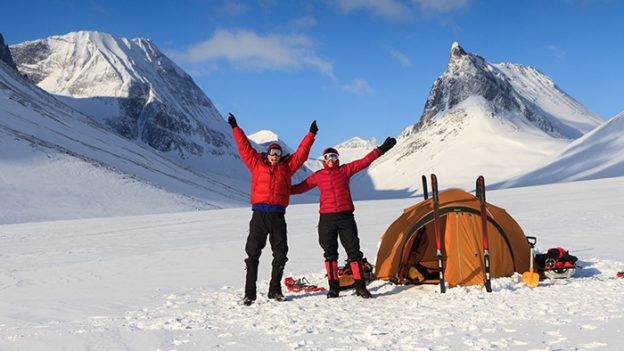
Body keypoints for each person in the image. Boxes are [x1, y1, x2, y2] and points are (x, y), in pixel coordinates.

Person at [228, 113, 317, 306]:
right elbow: (244, 148)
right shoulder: (256, 165)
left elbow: (301, 155)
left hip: (277, 215)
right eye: (272, 153)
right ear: (267, 155)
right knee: (252, 254)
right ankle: (249, 294)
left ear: (280, 156)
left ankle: (274, 290)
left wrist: (310, 135)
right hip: (259, 215)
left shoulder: (287, 168)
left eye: (277, 154)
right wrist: (236, 128)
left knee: (281, 253)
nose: (274, 156)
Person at [291, 137, 396, 299]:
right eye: (327, 157)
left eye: (334, 156)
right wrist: (280, 188)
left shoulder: (345, 171)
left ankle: (360, 287)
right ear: (324, 160)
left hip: (345, 216)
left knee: (353, 252)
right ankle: (334, 288)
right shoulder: (318, 176)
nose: (331, 160)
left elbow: (365, 161)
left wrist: (382, 149)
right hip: (327, 218)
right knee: (330, 253)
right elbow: (299, 188)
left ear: (337, 159)